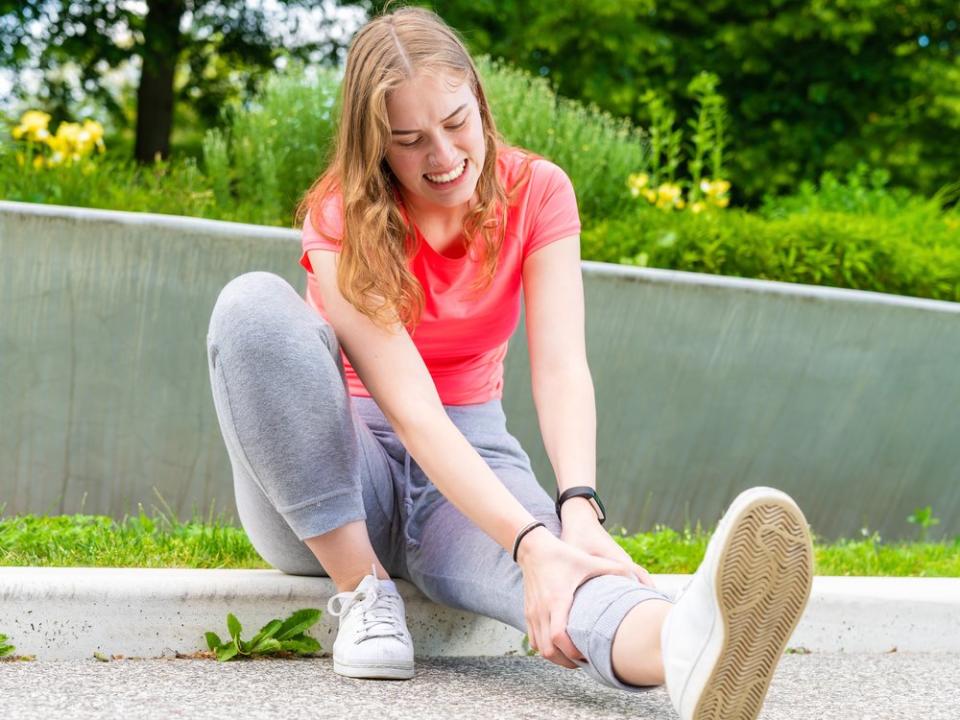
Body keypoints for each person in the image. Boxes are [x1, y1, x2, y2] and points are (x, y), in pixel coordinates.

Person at [206, 6, 813, 719]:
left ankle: (683, 646)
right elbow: (411, 408)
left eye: (456, 123)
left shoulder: (540, 191)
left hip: (472, 453)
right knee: (251, 307)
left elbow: (560, 367)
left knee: (568, 573)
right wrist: (529, 541)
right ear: (375, 146)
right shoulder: (339, 214)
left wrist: (576, 512)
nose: (442, 157)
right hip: (337, 473)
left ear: (481, 103)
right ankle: (364, 592)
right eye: (409, 141)